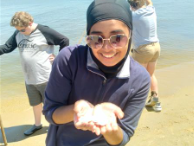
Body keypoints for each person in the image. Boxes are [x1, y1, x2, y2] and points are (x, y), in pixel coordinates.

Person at [43, 0, 150, 145]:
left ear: (130, 34)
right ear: (88, 36)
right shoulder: (69, 59)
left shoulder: (140, 79)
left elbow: (123, 136)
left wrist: (108, 128)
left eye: (117, 38)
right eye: (96, 39)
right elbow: (51, 112)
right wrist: (76, 111)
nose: (107, 48)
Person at [0, 11, 69, 136]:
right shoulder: (18, 33)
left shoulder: (44, 31)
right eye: (18, 29)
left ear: (30, 23)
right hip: (29, 79)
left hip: (46, 77)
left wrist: (59, 58)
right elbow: (6, 47)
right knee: (35, 104)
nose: (20, 32)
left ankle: (57, 127)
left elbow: (64, 40)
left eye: (22, 29)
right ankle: (37, 125)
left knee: (51, 105)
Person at [128, 0, 162, 112]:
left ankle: (135, 103)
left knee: (138, 77)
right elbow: (149, 2)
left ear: (132, 6)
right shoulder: (151, 10)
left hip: (143, 50)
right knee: (151, 75)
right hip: (156, 47)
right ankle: (156, 101)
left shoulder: (133, 16)